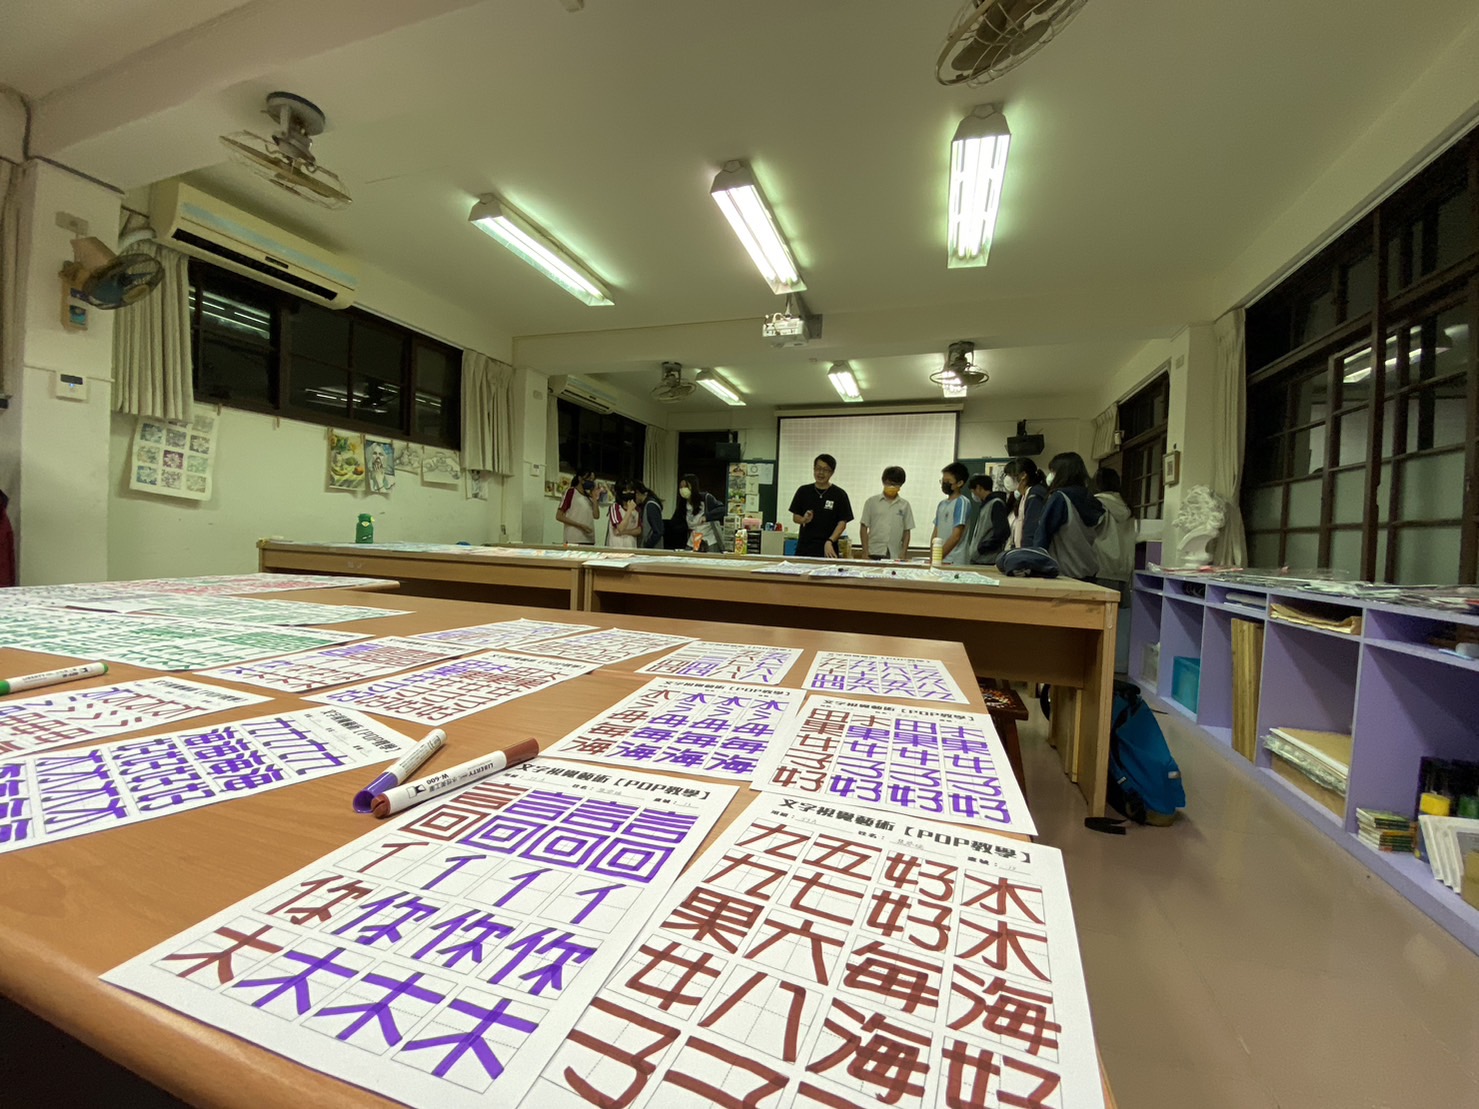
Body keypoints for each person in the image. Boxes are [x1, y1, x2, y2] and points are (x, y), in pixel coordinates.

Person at [1033, 452, 1106, 580]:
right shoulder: (1092, 498)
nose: (1050, 476)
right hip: (1089, 570)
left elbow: (1043, 534)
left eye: (1053, 471)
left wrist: (1035, 565)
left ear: (1062, 473)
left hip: (1063, 572)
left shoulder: (1060, 498)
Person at [1093, 465, 1138, 673]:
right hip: (1122, 573)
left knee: (1097, 626)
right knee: (1116, 626)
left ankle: (1097, 670)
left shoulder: (1096, 504)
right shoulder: (1127, 507)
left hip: (1101, 568)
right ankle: (1112, 668)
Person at [789, 453, 853, 558]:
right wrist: (804, 519)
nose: (821, 473)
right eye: (818, 468)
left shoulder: (839, 494)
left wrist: (830, 541)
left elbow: (842, 523)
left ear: (832, 472)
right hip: (804, 549)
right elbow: (795, 517)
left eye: (826, 470)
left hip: (828, 549)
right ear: (814, 469)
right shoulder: (803, 491)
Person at [858, 466, 915, 560]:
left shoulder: (905, 505)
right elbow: (863, 527)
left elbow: (907, 531)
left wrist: (903, 553)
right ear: (883, 481)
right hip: (873, 551)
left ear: (901, 485)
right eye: (889, 483)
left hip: (895, 554)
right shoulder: (871, 502)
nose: (892, 487)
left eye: (895, 484)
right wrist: (865, 551)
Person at [931, 461, 973, 566]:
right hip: (939, 559)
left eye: (948, 481)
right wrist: (933, 555)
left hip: (955, 560)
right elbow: (936, 532)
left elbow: (956, 536)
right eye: (942, 481)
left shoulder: (962, 502)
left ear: (959, 483)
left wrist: (939, 556)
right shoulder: (941, 504)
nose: (944, 484)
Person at [1004, 457, 1048, 552]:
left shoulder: (1035, 496)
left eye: (1010, 475)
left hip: (1030, 553)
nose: (1007, 479)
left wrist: (1027, 555)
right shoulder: (1024, 495)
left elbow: (1031, 530)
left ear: (1023, 475)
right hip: (1022, 551)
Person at [966, 473, 1010, 565]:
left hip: (988, 560)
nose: (973, 495)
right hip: (979, 559)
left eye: (973, 491)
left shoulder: (996, 504)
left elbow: (1002, 532)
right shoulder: (985, 505)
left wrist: (982, 548)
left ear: (979, 488)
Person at [677, 473, 726, 551]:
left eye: (686, 486)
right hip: (693, 540)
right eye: (681, 487)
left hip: (709, 540)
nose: (683, 489)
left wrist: (707, 517)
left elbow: (722, 509)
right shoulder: (683, 504)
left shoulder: (706, 498)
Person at [555, 469, 598, 545]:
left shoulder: (589, 497)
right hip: (574, 539)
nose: (591, 482)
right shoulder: (571, 492)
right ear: (580, 478)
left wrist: (594, 498)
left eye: (593, 480)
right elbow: (559, 516)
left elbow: (596, 516)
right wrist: (580, 526)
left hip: (589, 539)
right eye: (589, 479)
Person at [607, 484, 641, 549]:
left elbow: (638, 530)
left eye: (631, 491)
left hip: (631, 546)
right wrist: (629, 510)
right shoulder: (615, 507)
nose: (629, 493)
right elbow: (620, 528)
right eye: (625, 491)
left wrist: (624, 532)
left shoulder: (637, 509)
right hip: (617, 546)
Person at [632, 481, 665, 549]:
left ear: (638, 493)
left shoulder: (651, 506)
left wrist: (647, 545)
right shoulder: (644, 505)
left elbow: (658, 531)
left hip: (653, 548)